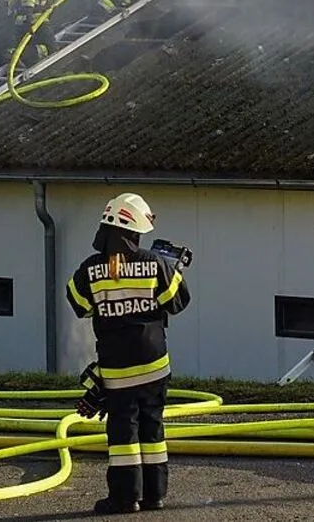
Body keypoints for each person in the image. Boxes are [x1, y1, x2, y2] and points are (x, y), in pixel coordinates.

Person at [66, 192, 192, 515]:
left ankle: (125, 498)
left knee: (123, 436)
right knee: (153, 431)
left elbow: (78, 304)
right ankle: (155, 496)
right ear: (135, 232)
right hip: (154, 368)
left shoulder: (90, 270)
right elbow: (178, 301)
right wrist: (173, 270)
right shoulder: (155, 263)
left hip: (117, 372)